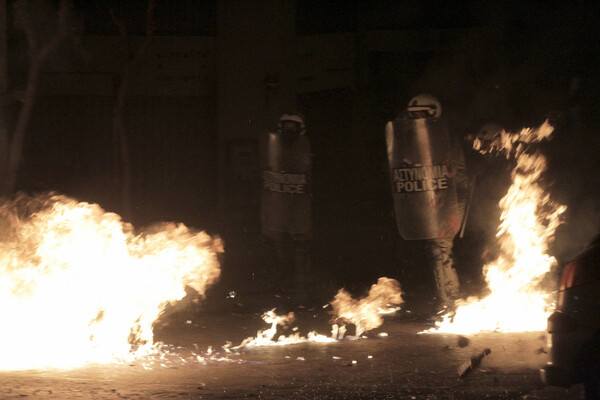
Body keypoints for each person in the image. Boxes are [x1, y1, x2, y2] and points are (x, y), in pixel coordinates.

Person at [385, 94, 470, 310]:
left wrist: (456, 197)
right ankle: (449, 299)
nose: (416, 119)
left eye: (421, 114)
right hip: (426, 200)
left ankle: (449, 301)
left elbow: (458, 174)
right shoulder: (408, 139)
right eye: (413, 115)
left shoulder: (445, 137)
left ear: (434, 114)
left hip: (448, 201)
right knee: (435, 250)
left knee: (439, 249)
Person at [259, 113, 312, 303]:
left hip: (299, 210)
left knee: (300, 252)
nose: (290, 130)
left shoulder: (305, 148)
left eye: (294, 127)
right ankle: (278, 289)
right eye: (287, 126)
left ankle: (300, 290)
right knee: (277, 252)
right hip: (277, 210)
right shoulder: (271, 148)